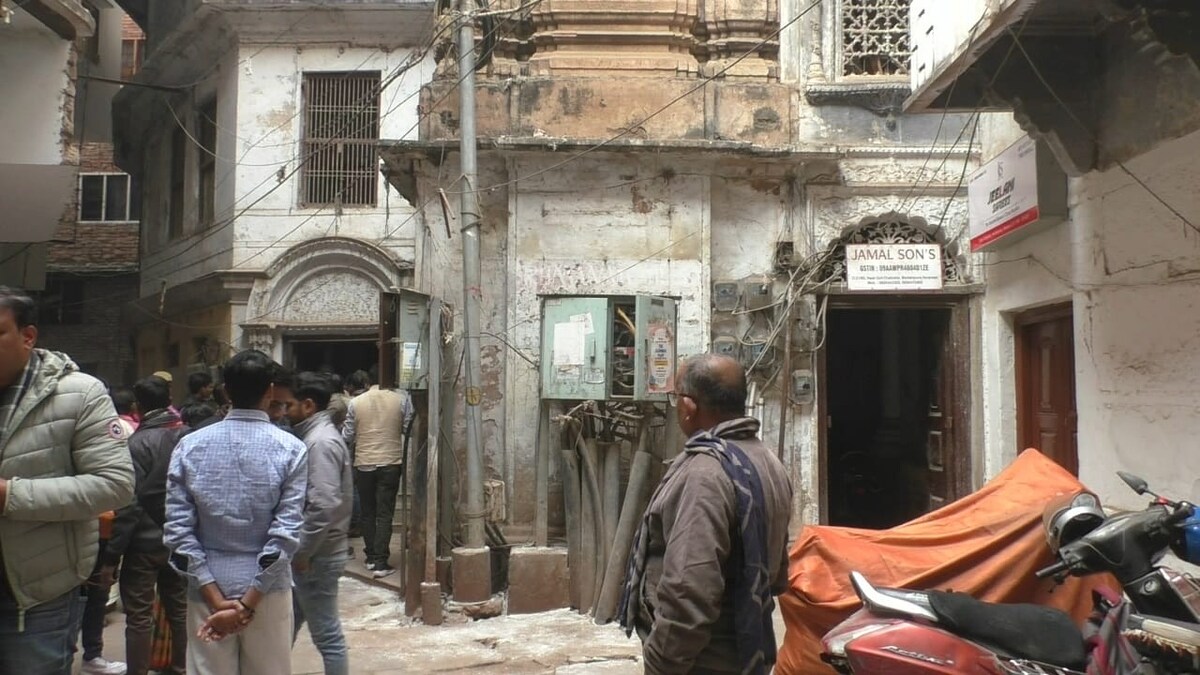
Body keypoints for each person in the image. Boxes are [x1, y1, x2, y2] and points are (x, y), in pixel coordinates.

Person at [618, 353, 793, 675]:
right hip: (748, 651)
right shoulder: (768, 462)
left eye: (675, 398)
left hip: (703, 662)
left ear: (688, 406)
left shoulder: (705, 475)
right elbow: (779, 572)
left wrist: (661, 663)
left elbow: (689, 593)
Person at [0, 286, 136, 675]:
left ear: (28, 336)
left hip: (35, 601)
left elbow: (115, 485)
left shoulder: (79, 394)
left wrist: (10, 495)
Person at [164, 350, 307, 675]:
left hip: (206, 589)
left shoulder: (189, 446)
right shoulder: (291, 449)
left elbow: (178, 532)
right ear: (270, 391)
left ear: (226, 390)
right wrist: (246, 603)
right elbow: (285, 535)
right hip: (268, 594)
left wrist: (216, 598)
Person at [104, 376, 189, 675]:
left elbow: (129, 505)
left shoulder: (135, 444)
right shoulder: (188, 437)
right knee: (180, 610)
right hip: (180, 540)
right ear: (169, 400)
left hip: (142, 544)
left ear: (137, 407)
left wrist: (112, 555)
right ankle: (181, 668)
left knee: (139, 617)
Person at [277, 372, 352, 675]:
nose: (283, 412)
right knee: (286, 625)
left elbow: (323, 505)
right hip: (313, 553)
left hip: (317, 556)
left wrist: (303, 551)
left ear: (308, 405)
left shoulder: (320, 442)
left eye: (288, 405)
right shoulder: (314, 437)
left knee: (327, 636)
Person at [342, 371, 413, 579]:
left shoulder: (355, 402)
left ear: (368, 382)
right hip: (390, 462)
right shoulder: (401, 399)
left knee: (368, 513)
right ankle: (381, 561)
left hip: (364, 463)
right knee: (384, 514)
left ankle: (371, 557)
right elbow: (408, 428)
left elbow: (347, 435)